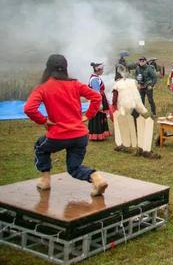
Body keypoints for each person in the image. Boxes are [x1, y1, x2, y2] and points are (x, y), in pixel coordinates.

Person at [24, 54, 108, 196]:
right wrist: (87, 115)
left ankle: (45, 181)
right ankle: (96, 178)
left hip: (57, 136)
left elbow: (28, 108)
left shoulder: (43, 87)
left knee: (40, 147)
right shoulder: (75, 84)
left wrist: (43, 120)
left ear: (48, 68)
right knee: (74, 168)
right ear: (65, 69)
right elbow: (96, 96)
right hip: (80, 136)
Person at [87, 62, 111, 141]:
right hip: (97, 100)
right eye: (102, 70)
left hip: (99, 98)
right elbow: (96, 92)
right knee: (97, 117)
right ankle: (97, 134)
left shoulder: (96, 77)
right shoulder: (94, 79)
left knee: (100, 116)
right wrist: (99, 104)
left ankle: (101, 133)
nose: (103, 71)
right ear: (98, 70)